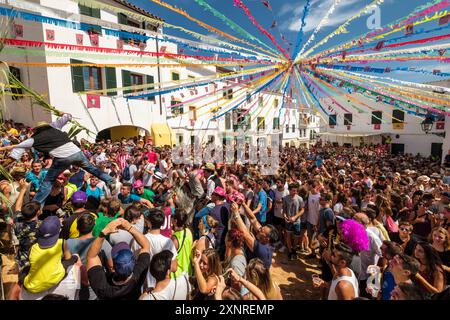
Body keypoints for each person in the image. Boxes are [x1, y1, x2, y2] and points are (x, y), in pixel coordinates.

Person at [0, 114, 114, 204]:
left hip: (62, 158)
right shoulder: (55, 126)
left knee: (48, 182)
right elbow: (68, 116)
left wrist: (3, 165)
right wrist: (61, 113)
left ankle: (36, 204)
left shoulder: (33, 139)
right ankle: (110, 180)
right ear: (46, 126)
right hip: (76, 152)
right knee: (91, 168)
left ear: (36, 130)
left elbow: (14, 154)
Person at [86, 219, 150, 300]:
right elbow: (146, 245)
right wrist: (129, 227)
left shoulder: (104, 289)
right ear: (133, 263)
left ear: (113, 267)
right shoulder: (138, 276)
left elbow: (91, 256)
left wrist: (104, 232)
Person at [21, 216, 79, 300]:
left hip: (32, 286)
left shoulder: (33, 247)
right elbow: (68, 259)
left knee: (24, 271)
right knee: (73, 258)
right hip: (56, 278)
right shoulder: (62, 242)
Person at [132, 208, 177, 290]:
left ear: (148, 223)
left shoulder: (138, 240)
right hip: (162, 286)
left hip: (143, 284)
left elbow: (134, 261)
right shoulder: (168, 242)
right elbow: (174, 267)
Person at [233, 202, 279, 270]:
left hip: (255, 275)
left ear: (267, 238)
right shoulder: (267, 240)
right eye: (261, 228)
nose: (259, 230)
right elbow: (253, 219)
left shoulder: (261, 248)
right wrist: (244, 204)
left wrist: (236, 213)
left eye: (262, 231)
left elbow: (245, 234)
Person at [282, 183, 305, 260]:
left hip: (297, 221)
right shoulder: (285, 198)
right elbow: (284, 209)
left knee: (296, 237)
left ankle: (294, 249)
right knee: (288, 235)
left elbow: (302, 210)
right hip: (288, 221)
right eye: (293, 190)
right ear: (289, 190)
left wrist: (295, 217)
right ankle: (290, 250)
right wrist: (284, 216)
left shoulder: (300, 199)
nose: (295, 192)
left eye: (296, 190)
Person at [171, 209, 193, 278]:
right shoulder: (189, 231)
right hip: (188, 271)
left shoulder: (174, 239)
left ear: (175, 221)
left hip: (177, 275)